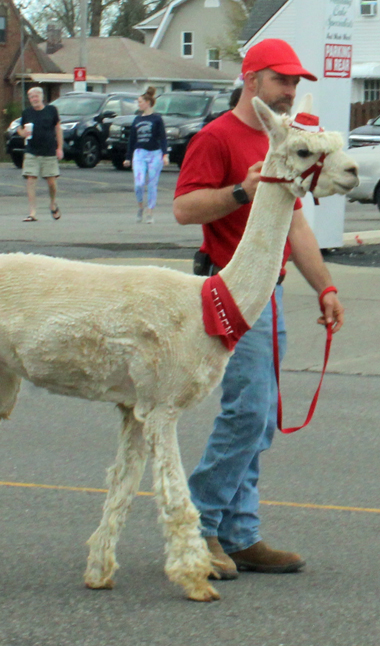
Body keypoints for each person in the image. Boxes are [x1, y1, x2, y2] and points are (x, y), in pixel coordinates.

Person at [173, 39, 344, 579]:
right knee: (247, 412)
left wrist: (325, 288)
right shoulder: (217, 137)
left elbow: (295, 222)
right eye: (281, 81)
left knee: (262, 417)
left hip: (269, 294)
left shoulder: (289, 138)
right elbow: (183, 208)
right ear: (251, 81)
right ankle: (198, 529)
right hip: (228, 294)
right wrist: (240, 192)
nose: (291, 91)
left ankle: (240, 532)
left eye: (295, 82)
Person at [123, 87, 168, 224]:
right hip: (139, 153)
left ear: (148, 102)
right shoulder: (136, 119)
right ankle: (140, 207)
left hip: (155, 153)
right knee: (139, 183)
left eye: (140, 101)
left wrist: (165, 154)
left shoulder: (157, 118)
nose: (139, 104)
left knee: (152, 184)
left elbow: (163, 137)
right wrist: (127, 157)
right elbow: (132, 139)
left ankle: (150, 212)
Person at [18, 87, 63, 222]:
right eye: (31, 97)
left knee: (51, 182)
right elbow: (20, 129)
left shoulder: (51, 110)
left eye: (36, 96)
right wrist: (22, 133)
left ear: (42, 97)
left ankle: (52, 203)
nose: (34, 99)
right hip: (32, 151)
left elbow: (58, 128)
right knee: (31, 180)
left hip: (49, 152)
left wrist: (59, 148)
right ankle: (32, 212)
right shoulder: (27, 113)